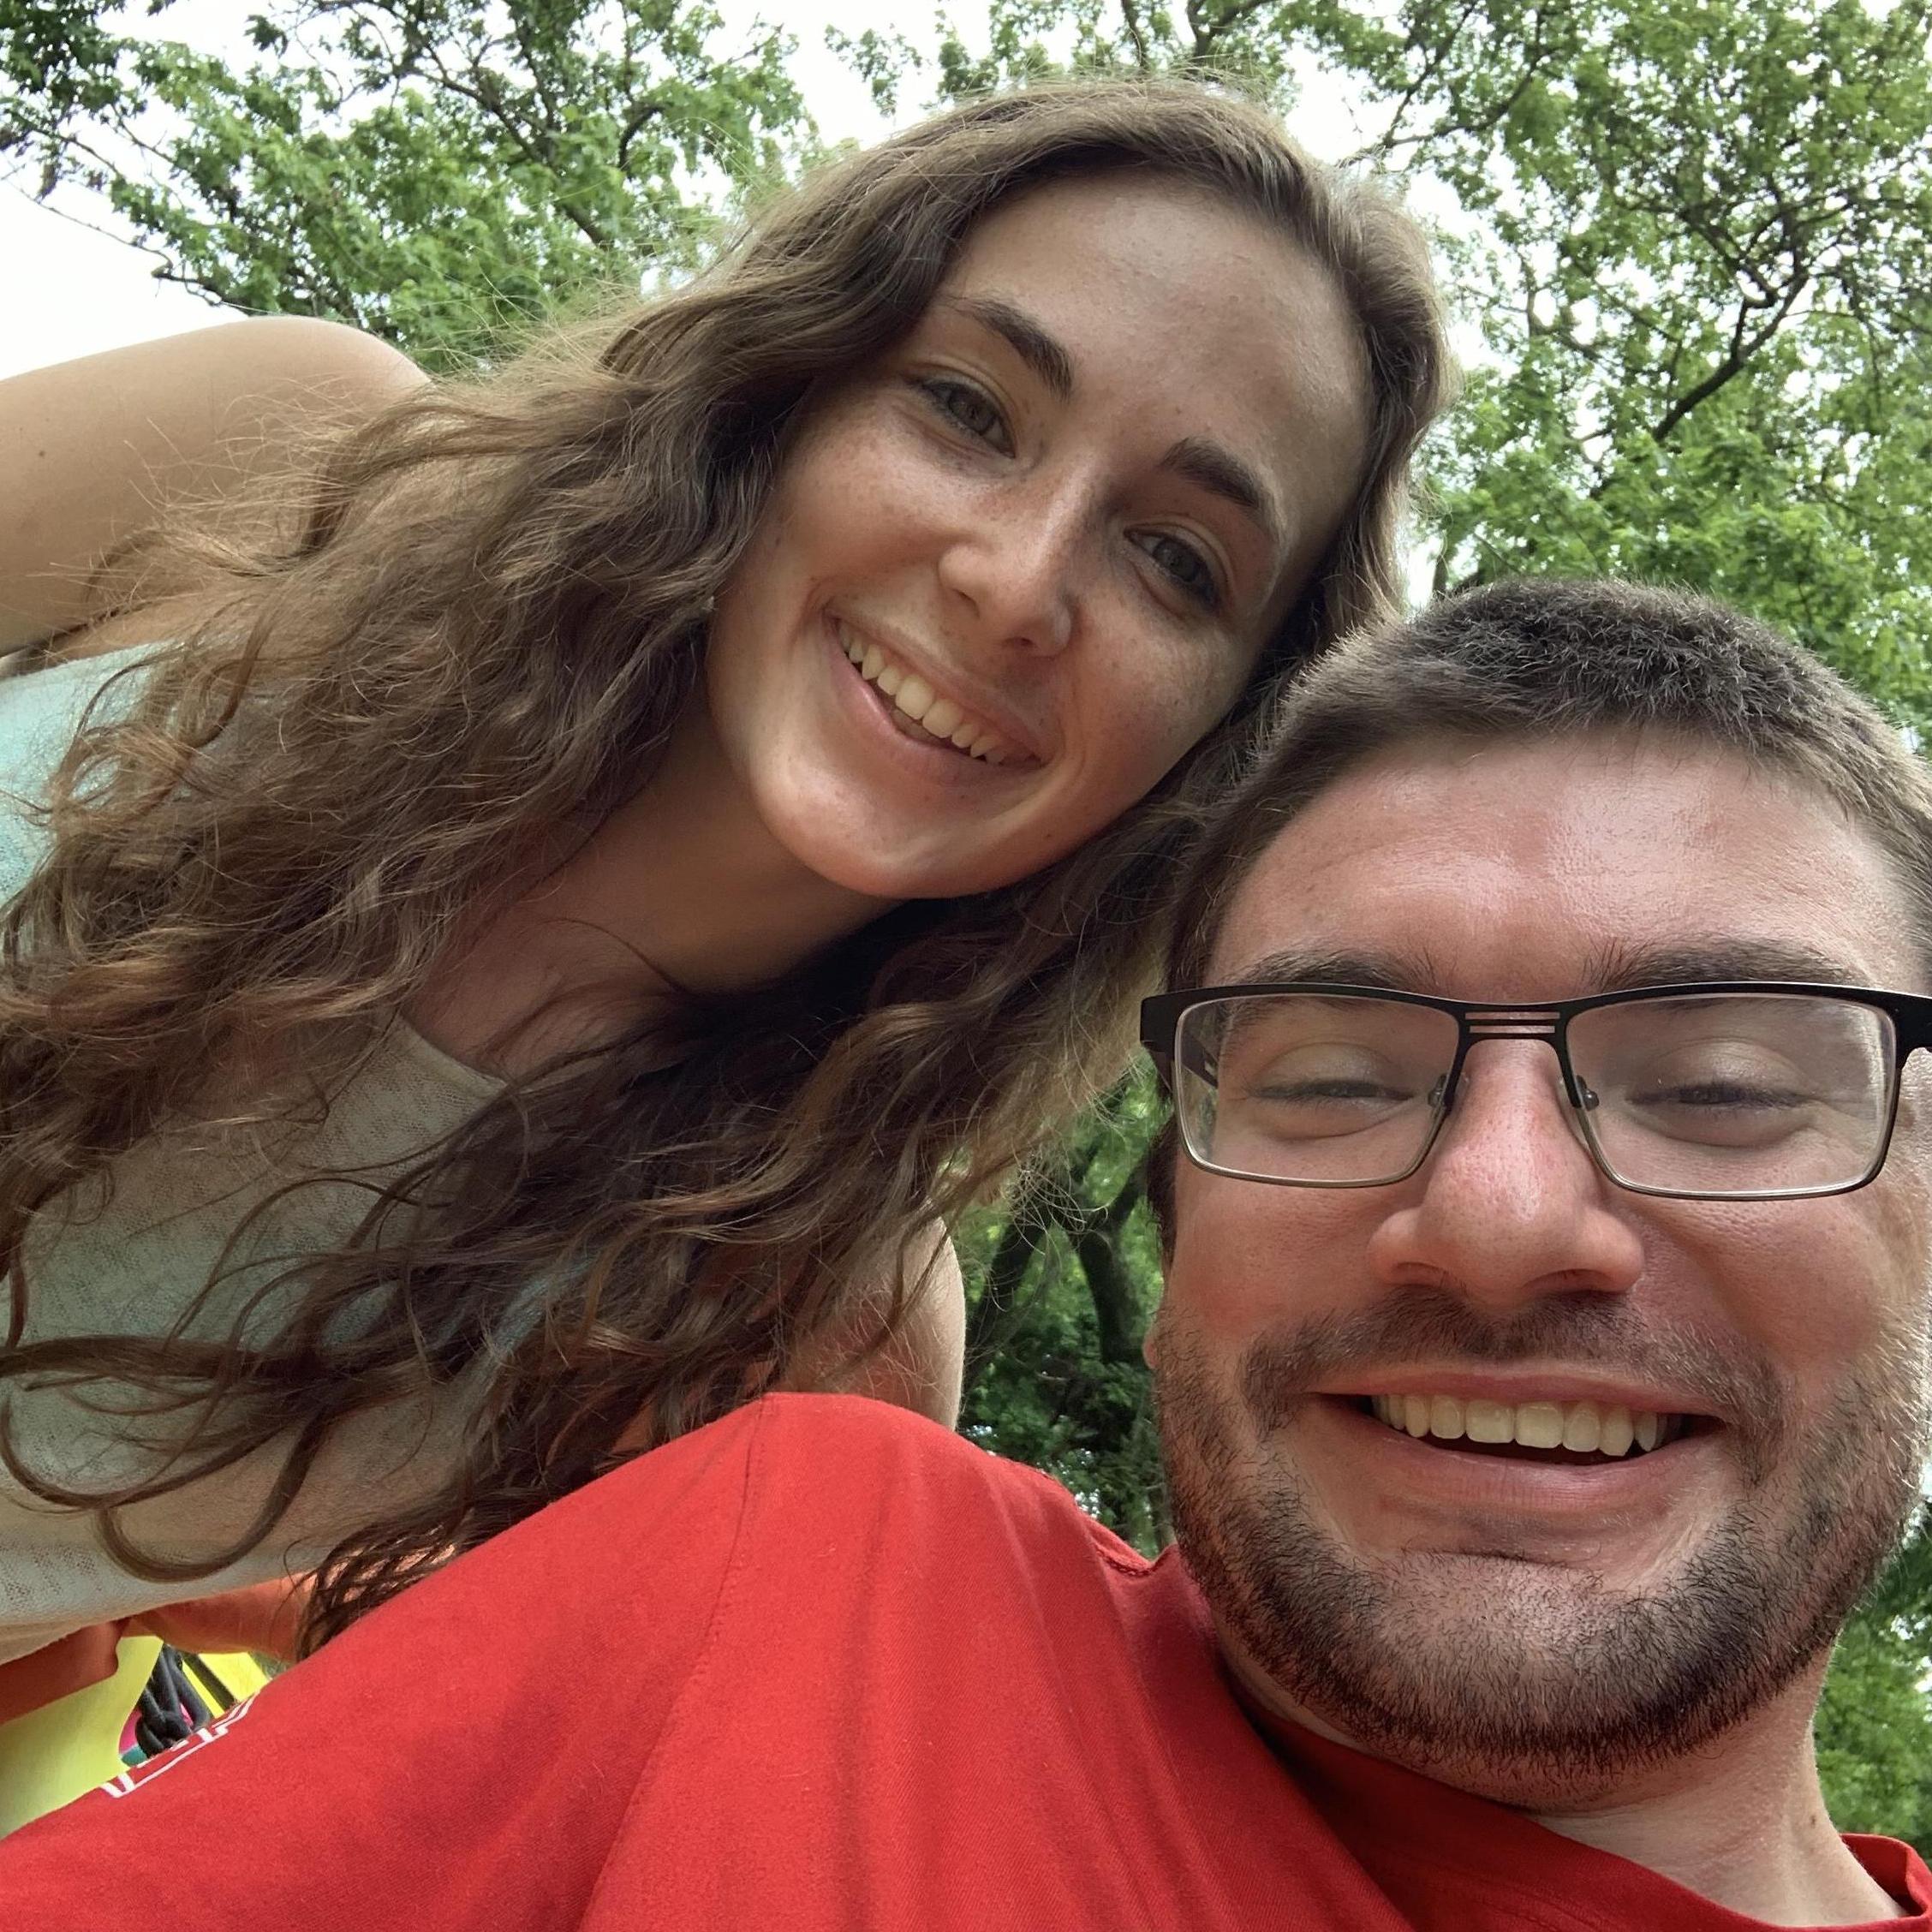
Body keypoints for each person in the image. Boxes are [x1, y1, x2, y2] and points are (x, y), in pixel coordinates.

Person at [6, 575, 1929, 1928]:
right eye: (1338, 1079)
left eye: (1731, 1088)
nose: (1501, 1217)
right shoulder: (811, 1597)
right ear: (1178, 1217)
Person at [0, 75, 1452, 1734]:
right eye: (968, 409)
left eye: (1178, 560)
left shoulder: (815, 1322)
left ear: (1217, 735)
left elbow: (472, 1737)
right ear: (785, 392)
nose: (1017, 579)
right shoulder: (272, 466)